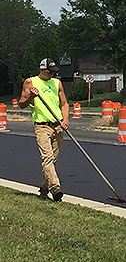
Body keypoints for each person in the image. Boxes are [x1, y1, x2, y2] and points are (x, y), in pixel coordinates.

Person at [18, 58, 69, 202]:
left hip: (57, 125)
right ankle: (55, 188)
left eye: (53, 72)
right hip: (42, 126)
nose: (51, 74)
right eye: (49, 72)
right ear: (42, 69)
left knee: (53, 160)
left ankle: (44, 189)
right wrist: (31, 97)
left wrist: (65, 120)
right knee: (47, 158)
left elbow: (64, 104)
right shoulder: (31, 82)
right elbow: (22, 103)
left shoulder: (57, 83)